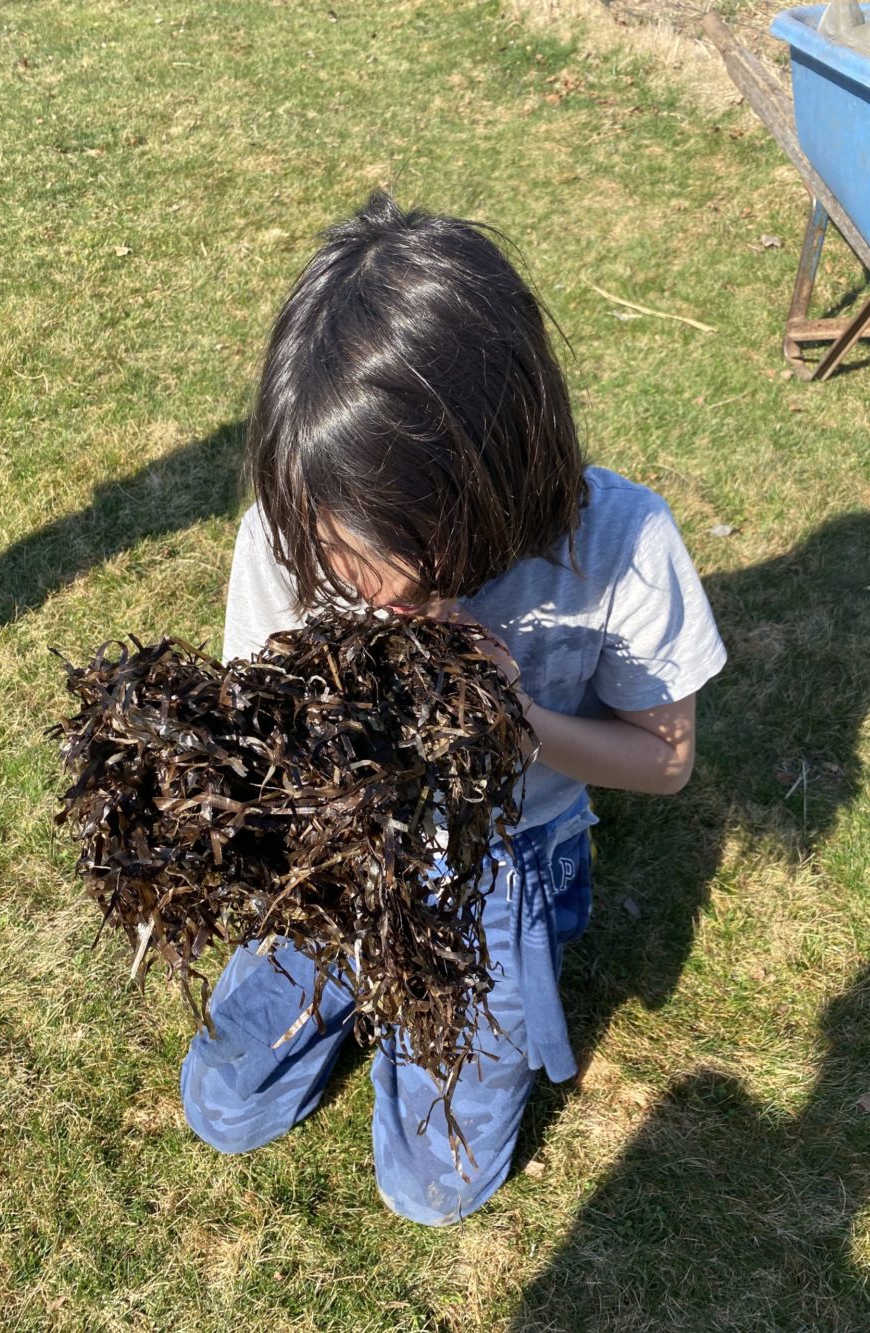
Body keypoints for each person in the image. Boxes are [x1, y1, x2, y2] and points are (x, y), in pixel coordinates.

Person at [180, 193, 727, 1225]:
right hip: (340, 854)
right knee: (222, 1103)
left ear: (496, 471)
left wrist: (520, 722)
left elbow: (666, 761)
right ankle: (334, 974)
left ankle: (434, 1010)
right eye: (336, 552)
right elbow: (259, 729)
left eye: (400, 547)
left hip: (508, 868)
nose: (365, 583)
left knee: (432, 1187)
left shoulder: (617, 538)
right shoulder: (289, 528)